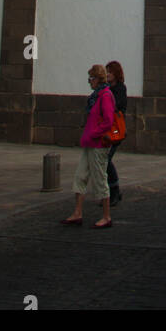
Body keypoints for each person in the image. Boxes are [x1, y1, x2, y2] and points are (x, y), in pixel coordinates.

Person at [63, 63, 116, 229]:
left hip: (99, 144)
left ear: (98, 79)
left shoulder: (106, 96)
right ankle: (77, 213)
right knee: (80, 176)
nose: (89, 82)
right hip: (89, 143)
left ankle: (106, 217)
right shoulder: (95, 96)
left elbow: (108, 120)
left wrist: (93, 133)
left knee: (100, 179)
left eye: (91, 78)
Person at [105, 60, 127, 206]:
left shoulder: (120, 88)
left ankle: (115, 190)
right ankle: (109, 193)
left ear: (116, 73)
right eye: (106, 71)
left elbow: (118, 105)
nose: (107, 74)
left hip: (115, 130)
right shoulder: (106, 88)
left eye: (109, 72)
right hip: (105, 129)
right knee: (103, 161)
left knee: (105, 160)